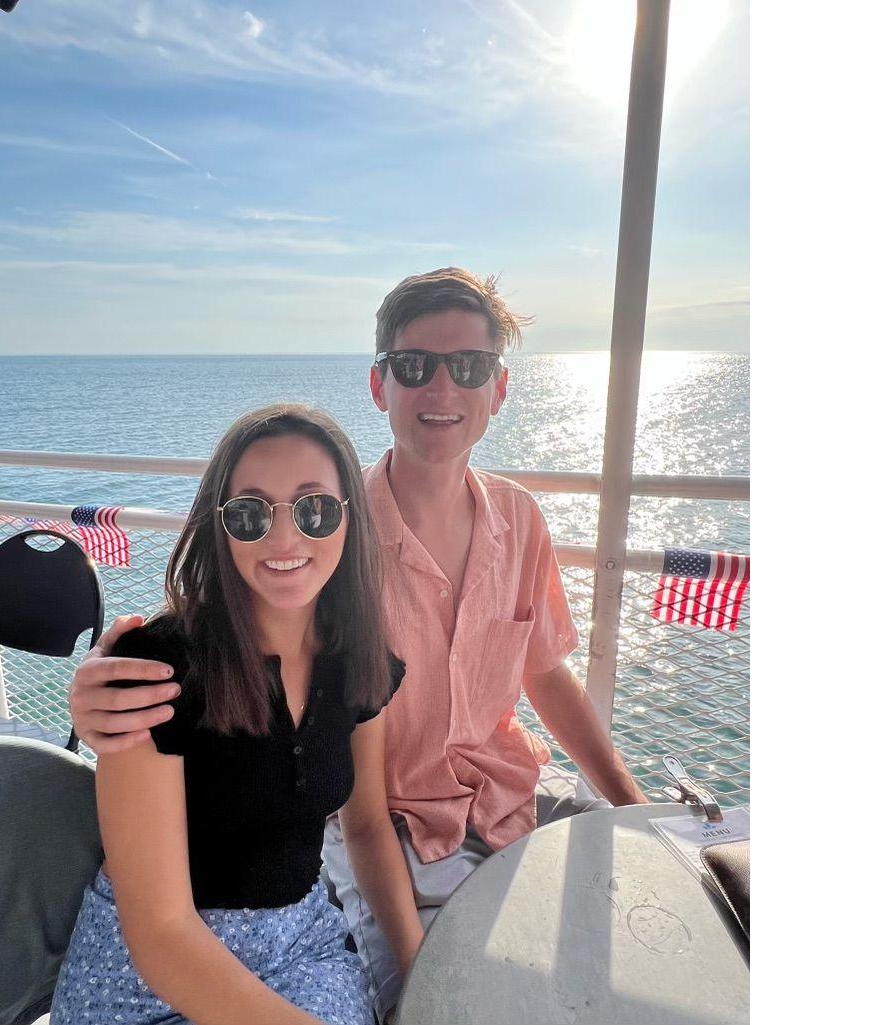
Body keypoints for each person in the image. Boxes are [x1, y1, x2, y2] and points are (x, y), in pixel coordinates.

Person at [68, 268, 646, 1022]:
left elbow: (544, 670)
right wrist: (104, 684)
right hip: (373, 832)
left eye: (469, 366)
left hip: (497, 800)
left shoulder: (513, 523)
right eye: (415, 365)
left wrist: (634, 806)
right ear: (380, 384)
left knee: (619, 954)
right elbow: (225, 629)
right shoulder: (332, 541)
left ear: (499, 388)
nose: (442, 386)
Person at [51, 405, 423, 1025]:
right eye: (251, 514)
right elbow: (161, 931)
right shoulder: (154, 670)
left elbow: (365, 828)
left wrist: (421, 970)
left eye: (315, 509)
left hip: (299, 946)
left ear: (349, 519)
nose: (285, 539)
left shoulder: (358, 663)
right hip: (145, 975)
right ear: (220, 527)